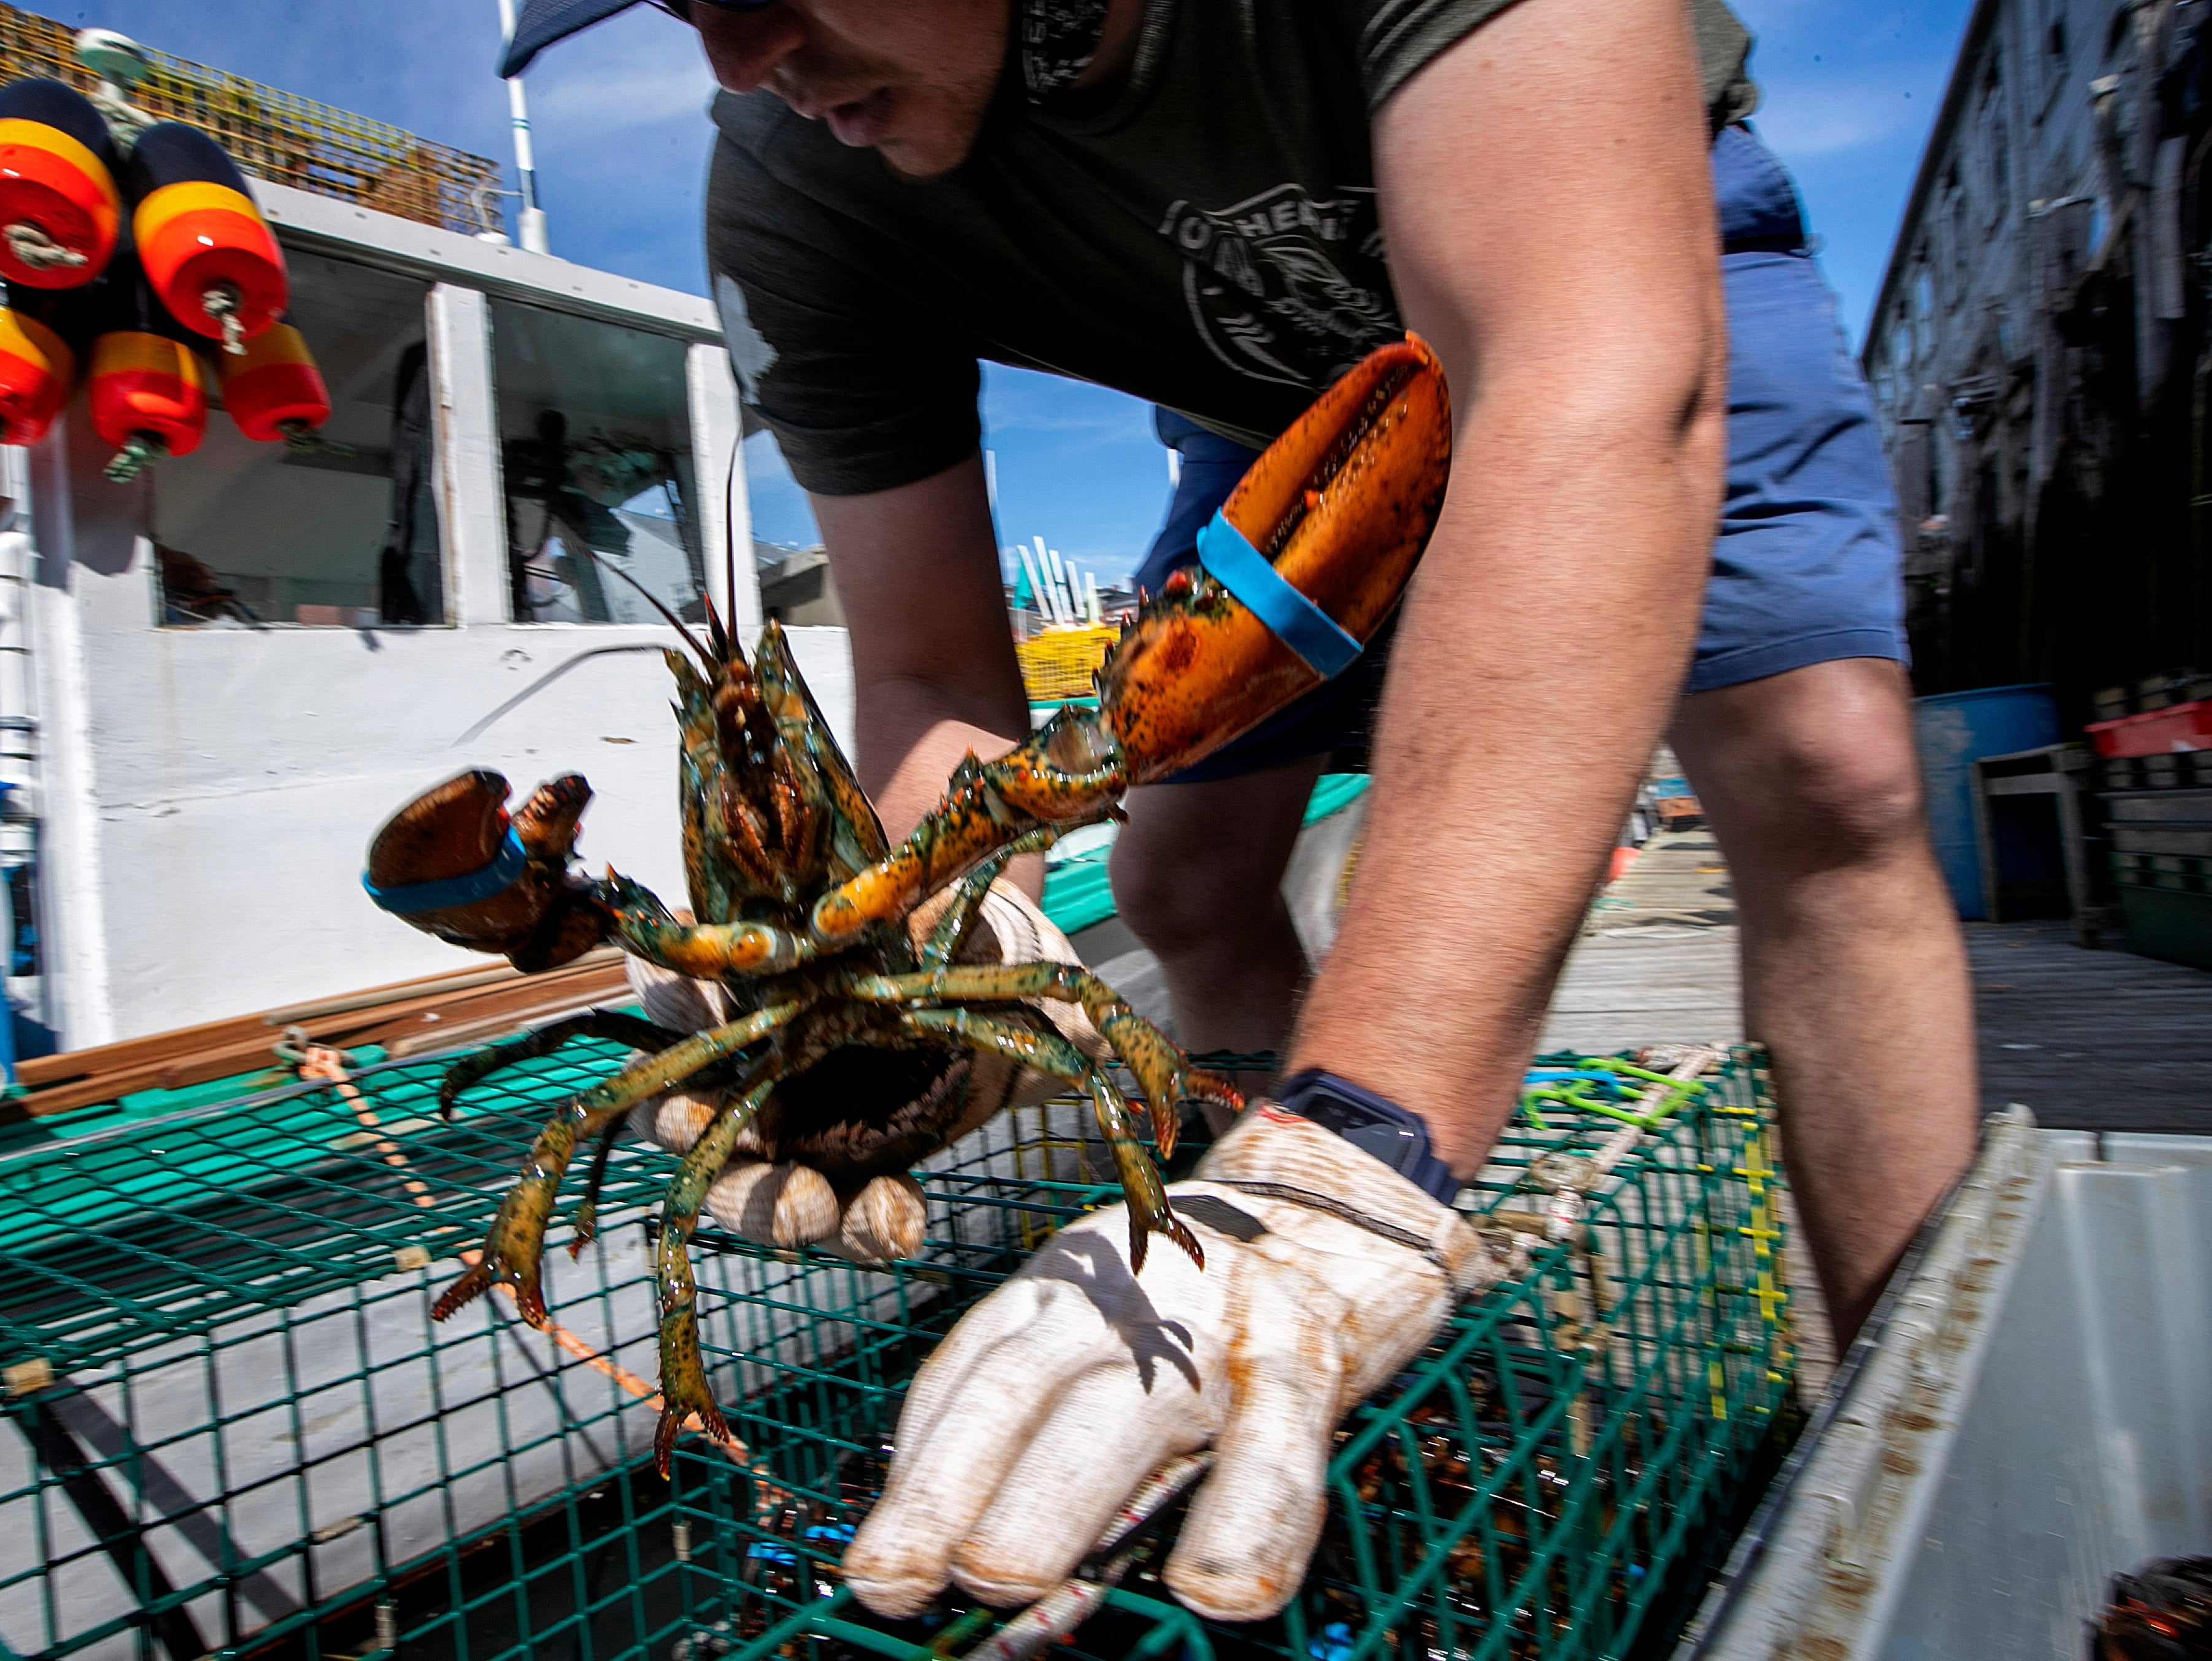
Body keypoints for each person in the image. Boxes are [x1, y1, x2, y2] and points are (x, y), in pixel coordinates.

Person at [505, 0, 1981, 1625]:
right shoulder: (793, 187)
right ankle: (1255, 1336)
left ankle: (1920, 1435)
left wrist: (1363, 1139)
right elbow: (928, 672)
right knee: (1186, 878)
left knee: (1826, 772)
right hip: (1269, 416)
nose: (736, 54)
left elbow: (1589, 394)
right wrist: (947, 915)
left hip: (1607, 255)